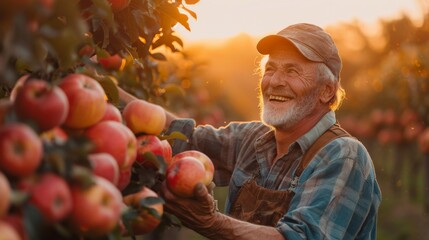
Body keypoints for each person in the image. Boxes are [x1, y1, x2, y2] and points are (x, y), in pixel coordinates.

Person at [119, 22, 381, 240]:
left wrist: (212, 223)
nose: (275, 81)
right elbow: (182, 138)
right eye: (271, 69)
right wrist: (100, 88)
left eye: (292, 71)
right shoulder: (255, 140)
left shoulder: (343, 155)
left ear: (327, 91)